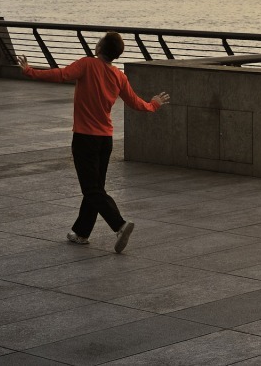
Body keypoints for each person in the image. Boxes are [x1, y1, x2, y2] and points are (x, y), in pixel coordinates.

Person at [17, 31, 169, 253]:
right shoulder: (119, 76)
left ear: (100, 49)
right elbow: (136, 103)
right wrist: (153, 104)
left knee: (91, 189)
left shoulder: (87, 64)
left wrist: (29, 72)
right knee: (95, 188)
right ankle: (81, 233)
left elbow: (60, 75)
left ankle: (119, 224)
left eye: (98, 41)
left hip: (85, 138)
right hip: (105, 140)